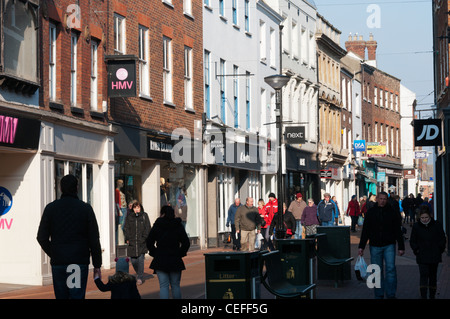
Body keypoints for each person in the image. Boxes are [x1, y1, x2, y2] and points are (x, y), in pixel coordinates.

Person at [37, 174, 102, 299]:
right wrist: (97, 264)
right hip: (77, 263)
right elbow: (94, 239)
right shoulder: (85, 209)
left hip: (59, 261)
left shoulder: (51, 208)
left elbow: (42, 237)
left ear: (61, 188)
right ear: (77, 188)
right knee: (76, 295)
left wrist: (54, 252)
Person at [358, 191, 405, 299]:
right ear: (377, 199)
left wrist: (401, 247)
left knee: (391, 269)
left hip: (389, 245)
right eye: (381, 199)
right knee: (376, 271)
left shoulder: (392, 212)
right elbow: (365, 230)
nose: (382, 201)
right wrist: (361, 246)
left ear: (387, 200)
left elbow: (397, 230)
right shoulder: (371, 212)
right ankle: (379, 294)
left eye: (384, 199)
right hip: (374, 245)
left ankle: (391, 294)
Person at [146, 205, 190, 299]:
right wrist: (180, 253)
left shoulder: (158, 225)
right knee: (175, 285)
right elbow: (186, 242)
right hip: (175, 258)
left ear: (162, 214)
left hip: (161, 258)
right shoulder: (178, 225)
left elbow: (149, 241)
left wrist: (154, 253)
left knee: (163, 286)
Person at [409, 205, 446, 299]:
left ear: (430, 216)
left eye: (426, 217)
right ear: (419, 217)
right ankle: (424, 295)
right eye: (422, 218)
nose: (424, 219)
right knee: (424, 275)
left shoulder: (436, 224)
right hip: (422, 255)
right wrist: (416, 249)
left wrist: (440, 249)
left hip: (434, 254)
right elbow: (413, 240)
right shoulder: (417, 226)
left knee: (433, 276)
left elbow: (442, 238)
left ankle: (432, 295)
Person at [124, 201, 151, 285]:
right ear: (133, 209)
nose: (136, 209)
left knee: (140, 260)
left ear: (140, 208)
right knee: (134, 261)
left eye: (138, 207)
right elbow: (126, 228)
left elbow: (148, 228)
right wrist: (127, 238)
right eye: (135, 208)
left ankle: (139, 277)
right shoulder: (129, 217)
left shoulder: (144, 216)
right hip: (132, 243)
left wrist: (144, 238)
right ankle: (139, 273)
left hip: (141, 243)